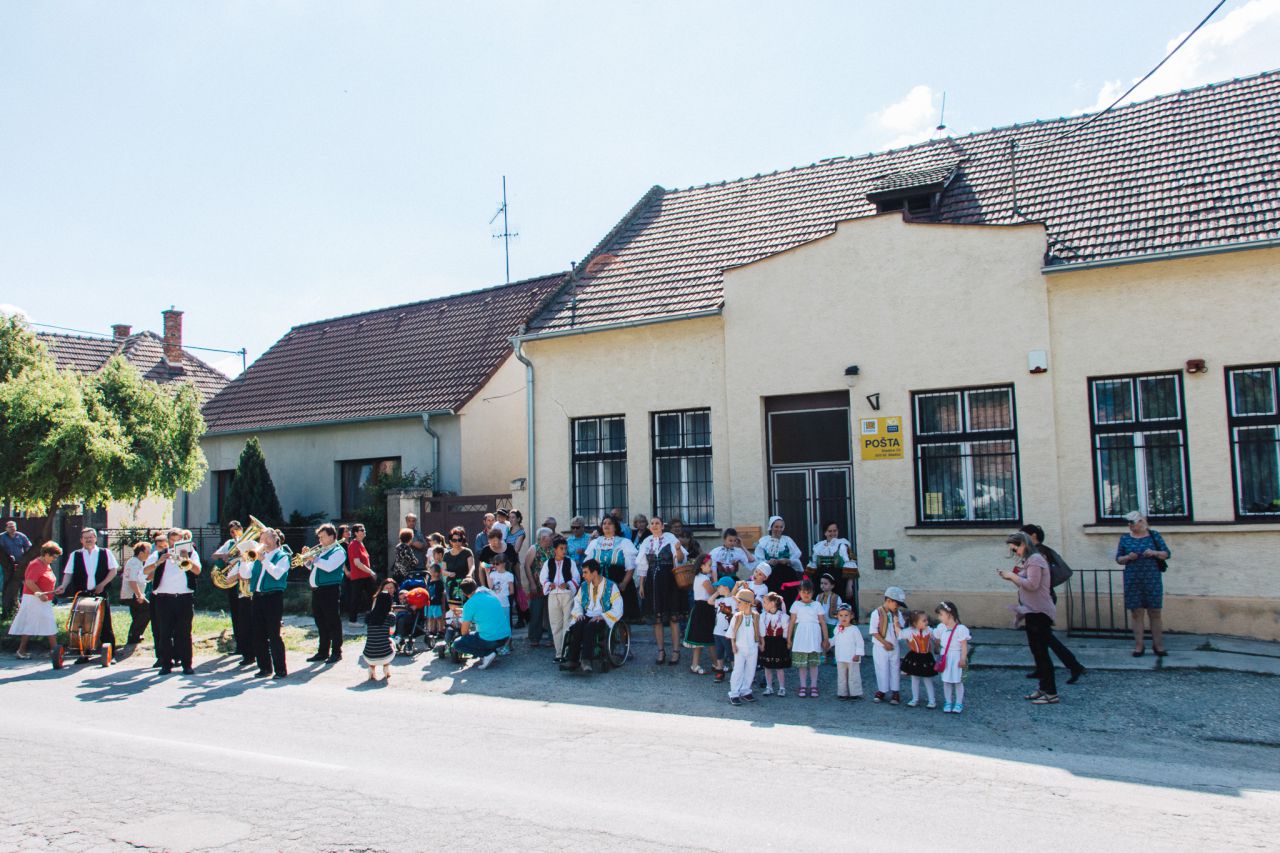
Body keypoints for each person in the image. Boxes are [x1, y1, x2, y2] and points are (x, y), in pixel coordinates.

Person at [1019, 524, 1085, 684]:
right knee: (1034, 636)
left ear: (1033, 536)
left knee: (1044, 636)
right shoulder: (1034, 552)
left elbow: (1037, 578)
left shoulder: (1039, 553)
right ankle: (1041, 668)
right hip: (1034, 598)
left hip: (1040, 599)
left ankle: (1074, 665)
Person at [999, 532, 1057, 705]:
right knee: (1037, 652)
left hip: (1040, 612)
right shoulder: (1029, 560)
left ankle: (1051, 692)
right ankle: (1044, 688)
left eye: (1015, 548)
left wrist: (1012, 576)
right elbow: (1024, 585)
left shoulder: (1036, 560)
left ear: (1023, 544)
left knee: (1042, 653)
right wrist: (1011, 578)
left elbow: (1032, 585)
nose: (1014, 552)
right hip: (1032, 611)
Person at [54, 527, 119, 658]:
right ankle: (84, 654)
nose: (89, 540)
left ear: (95, 538)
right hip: (82, 594)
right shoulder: (75, 554)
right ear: (81, 540)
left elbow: (113, 571)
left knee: (105, 624)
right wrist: (63, 586)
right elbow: (68, 573)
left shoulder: (105, 552)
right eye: (86, 538)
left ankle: (110, 655)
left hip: (100, 593)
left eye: (91, 537)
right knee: (82, 625)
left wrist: (102, 584)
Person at [143, 528, 201, 675]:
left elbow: (197, 571)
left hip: (184, 597)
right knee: (165, 632)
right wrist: (159, 562)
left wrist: (186, 559)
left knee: (184, 632)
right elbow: (145, 571)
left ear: (183, 540)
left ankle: (187, 664)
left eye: (179, 540)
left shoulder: (191, 553)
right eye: (173, 540)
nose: (175, 543)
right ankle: (166, 664)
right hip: (163, 598)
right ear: (168, 541)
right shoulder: (158, 554)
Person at [1116, 511, 1171, 658]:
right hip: (1133, 579)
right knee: (1136, 613)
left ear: (1141, 522)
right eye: (1128, 523)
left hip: (1152, 579)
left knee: (1155, 612)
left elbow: (1166, 554)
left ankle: (1158, 645)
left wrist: (1154, 553)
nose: (1129, 525)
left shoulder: (1154, 535)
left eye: (1132, 522)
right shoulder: (1125, 538)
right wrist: (1128, 557)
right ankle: (1139, 646)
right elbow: (1119, 559)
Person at [635, 514, 686, 657]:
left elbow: (681, 560)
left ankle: (675, 651)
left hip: (669, 581)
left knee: (673, 617)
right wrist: (641, 585)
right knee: (656, 619)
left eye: (657, 523)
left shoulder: (670, 538)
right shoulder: (646, 541)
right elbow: (643, 566)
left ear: (662, 526)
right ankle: (661, 651)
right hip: (652, 582)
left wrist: (678, 549)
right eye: (652, 523)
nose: (654, 525)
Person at [561, 559, 622, 674]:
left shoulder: (610, 586)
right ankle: (572, 660)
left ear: (594, 573)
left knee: (590, 627)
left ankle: (586, 660)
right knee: (578, 625)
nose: (583, 575)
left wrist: (603, 616)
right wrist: (579, 613)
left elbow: (618, 606)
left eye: (585, 572)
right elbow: (577, 602)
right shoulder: (584, 586)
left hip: (603, 617)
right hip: (588, 615)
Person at [8, 541, 63, 666]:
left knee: (34, 624)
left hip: (43, 599)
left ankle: (22, 650)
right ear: (47, 554)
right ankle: (55, 651)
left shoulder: (46, 564)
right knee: (47, 623)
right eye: (54, 557)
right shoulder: (36, 564)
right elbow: (29, 582)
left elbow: (46, 581)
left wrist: (55, 590)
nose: (55, 559)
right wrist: (40, 594)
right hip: (34, 599)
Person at [249, 528, 290, 679]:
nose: (263, 542)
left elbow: (277, 573)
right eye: (261, 539)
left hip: (273, 597)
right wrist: (244, 561)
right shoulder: (260, 556)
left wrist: (263, 560)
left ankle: (280, 670)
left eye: (266, 538)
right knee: (258, 634)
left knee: (274, 634)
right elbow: (247, 574)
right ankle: (264, 668)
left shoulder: (283, 556)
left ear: (275, 539)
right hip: (258, 596)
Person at [584, 515, 639, 623]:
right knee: (599, 613)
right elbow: (587, 564)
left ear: (616, 527)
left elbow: (631, 566)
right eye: (604, 523)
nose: (606, 525)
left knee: (620, 614)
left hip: (618, 579)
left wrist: (624, 583)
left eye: (610, 523)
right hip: (599, 580)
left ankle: (622, 633)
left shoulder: (624, 542)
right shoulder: (595, 542)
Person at [304, 523, 347, 664]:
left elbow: (329, 567)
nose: (319, 540)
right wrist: (306, 559)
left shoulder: (338, 551)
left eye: (322, 537)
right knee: (320, 622)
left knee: (333, 621)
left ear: (332, 536)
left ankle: (336, 652)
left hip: (329, 590)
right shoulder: (322, 550)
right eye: (319, 537)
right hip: (317, 590)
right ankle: (322, 651)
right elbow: (312, 566)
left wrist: (314, 559)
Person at [212, 521, 253, 664]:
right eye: (231, 531)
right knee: (236, 615)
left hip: (246, 582)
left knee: (247, 617)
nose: (234, 533)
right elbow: (214, 555)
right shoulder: (229, 543)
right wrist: (225, 555)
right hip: (233, 582)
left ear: (241, 529)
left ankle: (250, 648)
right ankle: (240, 646)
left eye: (236, 530)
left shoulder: (248, 542)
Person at [452, 577, 511, 669]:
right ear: (476, 587)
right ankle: (492, 652)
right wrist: (465, 611)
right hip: (505, 637)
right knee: (480, 633)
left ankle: (487, 654)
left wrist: (466, 613)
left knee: (457, 644)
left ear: (463, 593)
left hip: (490, 639)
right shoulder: (490, 596)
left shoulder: (469, 604)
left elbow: (464, 632)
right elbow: (483, 610)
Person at [808, 521, 859, 620]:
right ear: (825, 533)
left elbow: (850, 564)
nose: (832, 533)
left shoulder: (843, 545)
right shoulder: (818, 546)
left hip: (838, 579)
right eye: (830, 531)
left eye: (835, 531)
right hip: (820, 579)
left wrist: (849, 585)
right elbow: (813, 564)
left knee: (840, 602)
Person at [540, 536, 580, 662]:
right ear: (555, 550)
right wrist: (549, 584)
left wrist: (568, 584)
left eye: (565, 548)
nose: (564, 551)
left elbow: (576, 577)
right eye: (561, 548)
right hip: (553, 595)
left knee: (568, 622)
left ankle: (566, 652)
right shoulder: (548, 563)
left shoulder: (570, 562)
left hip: (567, 595)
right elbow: (543, 578)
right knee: (556, 624)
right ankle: (558, 653)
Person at [787, 578, 828, 698]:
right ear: (799, 592)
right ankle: (803, 685)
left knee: (814, 663)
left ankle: (814, 685)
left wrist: (826, 638)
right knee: (802, 664)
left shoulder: (817, 605)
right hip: (801, 636)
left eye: (808, 592)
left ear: (813, 592)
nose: (806, 594)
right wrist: (789, 638)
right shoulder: (796, 605)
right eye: (803, 591)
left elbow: (822, 622)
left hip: (814, 636)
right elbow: (792, 622)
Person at [869, 586, 907, 704]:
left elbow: (902, 628)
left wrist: (897, 622)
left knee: (895, 668)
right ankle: (882, 690)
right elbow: (874, 631)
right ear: (889, 600)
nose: (898, 607)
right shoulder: (877, 613)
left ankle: (895, 691)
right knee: (881, 668)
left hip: (894, 646)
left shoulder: (898, 613)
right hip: (881, 646)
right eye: (897, 604)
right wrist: (884, 643)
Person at [755, 516, 803, 605]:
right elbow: (758, 559)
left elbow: (796, 555)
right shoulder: (764, 541)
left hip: (786, 573)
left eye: (781, 527)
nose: (779, 529)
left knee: (787, 596)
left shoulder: (787, 540)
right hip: (770, 574)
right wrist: (768, 562)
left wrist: (787, 560)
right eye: (776, 527)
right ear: (771, 527)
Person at [933, 601, 971, 714]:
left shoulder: (961, 629)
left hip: (956, 657)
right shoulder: (941, 627)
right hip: (946, 656)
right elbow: (936, 637)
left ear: (949, 614)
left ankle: (959, 703)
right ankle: (948, 702)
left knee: (958, 681)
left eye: (941, 614)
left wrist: (963, 658)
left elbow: (964, 645)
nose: (939, 617)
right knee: (946, 681)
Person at [682, 554, 718, 671]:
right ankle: (716, 664)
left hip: (701, 608)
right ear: (702, 566)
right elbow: (713, 593)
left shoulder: (698, 577)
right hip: (704, 609)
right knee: (709, 638)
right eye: (709, 565)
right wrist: (716, 581)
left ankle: (696, 664)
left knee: (701, 639)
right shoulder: (704, 579)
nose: (711, 568)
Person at [727, 588, 760, 706]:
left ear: (748, 604)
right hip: (740, 647)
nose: (737, 604)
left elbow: (760, 631)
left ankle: (745, 690)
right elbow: (732, 632)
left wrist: (762, 642)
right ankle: (734, 693)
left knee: (751, 669)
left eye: (739, 602)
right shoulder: (736, 616)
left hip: (753, 647)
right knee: (738, 670)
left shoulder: (756, 616)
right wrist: (733, 645)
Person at [520, 528, 552, 648]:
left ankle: (552, 638)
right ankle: (534, 637)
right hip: (537, 587)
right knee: (536, 612)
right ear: (543, 538)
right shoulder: (534, 548)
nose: (552, 538)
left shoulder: (552, 549)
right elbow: (527, 566)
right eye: (550, 536)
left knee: (551, 613)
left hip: (551, 587)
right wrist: (532, 583)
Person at [362, 577, 397, 681]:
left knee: (373, 640)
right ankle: (386, 667)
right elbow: (392, 632)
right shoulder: (390, 616)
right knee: (391, 641)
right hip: (386, 655)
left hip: (368, 656)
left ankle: (371, 669)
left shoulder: (369, 616)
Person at [900, 611, 937, 709]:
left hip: (926, 657)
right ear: (915, 623)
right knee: (914, 678)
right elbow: (900, 634)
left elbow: (936, 637)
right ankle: (915, 698)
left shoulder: (929, 631)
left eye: (926, 620)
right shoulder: (910, 632)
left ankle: (932, 700)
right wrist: (896, 624)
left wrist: (937, 646)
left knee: (927, 679)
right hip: (915, 657)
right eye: (924, 621)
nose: (926, 622)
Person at [120, 541, 152, 647]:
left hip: (134, 593)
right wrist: (139, 595)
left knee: (137, 614)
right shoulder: (134, 562)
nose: (149, 555)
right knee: (148, 610)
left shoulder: (137, 562)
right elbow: (132, 581)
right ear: (141, 552)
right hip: (132, 594)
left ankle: (134, 636)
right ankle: (135, 635)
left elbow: (142, 579)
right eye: (148, 552)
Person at [759, 592, 791, 696]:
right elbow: (761, 630)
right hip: (767, 642)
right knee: (767, 666)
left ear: (772, 603)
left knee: (779, 667)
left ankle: (782, 688)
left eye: (765, 602)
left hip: (779, 643)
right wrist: (761, 643)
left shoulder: (783, 617)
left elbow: (786, 631)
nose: (763, 604)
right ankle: (769, 687)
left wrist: (787, 642)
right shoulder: (763, 616)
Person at [830, 604, 864, 700]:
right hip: (840, 656)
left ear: (851, 616)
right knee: (841, 676)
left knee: (854, 675)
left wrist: (858, 654)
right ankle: (842, 692)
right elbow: (835, 639)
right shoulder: (837, 628)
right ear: (837, 616)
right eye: (841, 615)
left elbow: (860, 642)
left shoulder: (854, 629)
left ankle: (855, 693)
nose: (843, 618)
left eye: (846, 615)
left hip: (852, 657)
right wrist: (828, 643)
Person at [1, 520, 33, 618]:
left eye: (14, 526)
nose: (12, 528)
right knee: (6, 583)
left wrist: (26, 557)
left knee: (21, 583)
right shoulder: (2, 537)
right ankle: (6, 607)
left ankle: (20, 604)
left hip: (20, 564)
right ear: (6, 528)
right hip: (6, 565)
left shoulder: (21, 536)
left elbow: (28, 547)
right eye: (10, 527)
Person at [345, 524, 375, 624]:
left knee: (371, 597)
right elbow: (357, 563)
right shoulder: (354, 544)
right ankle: (352, 621)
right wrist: (370, 571)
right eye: (361, 530)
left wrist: (369, 573)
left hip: (366, 576)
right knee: (356, 599)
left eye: (364, 529)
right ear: (356, 533)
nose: (364, 531)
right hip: (358, 577)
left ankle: (371, 618)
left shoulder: (361, 543)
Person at [710, 577, 736, 683]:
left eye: (719, 587)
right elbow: (710, 601)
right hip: (717, 632)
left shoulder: (733, 601)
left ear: (726, 587)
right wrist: (717, 592)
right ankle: (720, 671)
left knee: (731, 654)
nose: (717, 589)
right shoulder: (720, 600)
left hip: (727, 633)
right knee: (719, 653)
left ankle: (735, 674)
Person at [442, 527, 475, 605]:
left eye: (459, 540)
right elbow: (443, 571)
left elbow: (472, 566)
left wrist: (469, 574)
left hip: (465, 585)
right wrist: (449, 573)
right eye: (454, 540)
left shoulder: (467, 552)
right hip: (451, 585)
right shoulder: (446, 554)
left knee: (466, 606)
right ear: (450, 541)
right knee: (454, 607)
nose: (457, 542)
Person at [815, 574, 843, 661]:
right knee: (823, 639)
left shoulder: (837, 597)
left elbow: (840, 611)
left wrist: (839, 623)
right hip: (822, 623)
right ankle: (823, 655)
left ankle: (836, 656)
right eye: (821, 583)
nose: (823, 585)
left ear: (832, 586)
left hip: (833, 623)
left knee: (833, 640)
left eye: (825, 583)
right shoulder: (818, 596)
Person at [425, 549, 446, 637]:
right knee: (430, 617)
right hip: (429, 602)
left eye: (432, 571)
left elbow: (441, 594)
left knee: (438, 617)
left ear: (437, 573)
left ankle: (441, 630)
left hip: (436, 603)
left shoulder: (439, 582)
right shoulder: (429, 582)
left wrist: (442, 604)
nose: (430, 573)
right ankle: (431, 630)